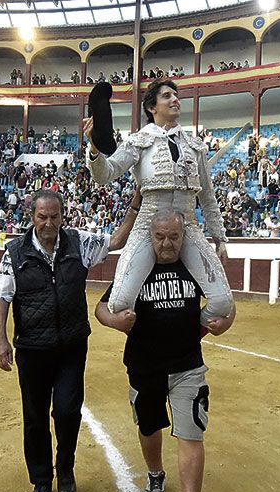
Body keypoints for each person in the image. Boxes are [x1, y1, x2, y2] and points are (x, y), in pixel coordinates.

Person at [95, 210, 234, 492]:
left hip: (188, 365)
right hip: (144, 364)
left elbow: (227, 306)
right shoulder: (136, 268)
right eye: (160, 237)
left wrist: (224, 324)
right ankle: (155, 474)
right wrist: (114, 322)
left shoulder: (194, 264)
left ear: (183, 235)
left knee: (191, 433)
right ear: (150, 236)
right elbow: (101, 308)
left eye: (174, 236)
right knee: (149, 425)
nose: (167, 243)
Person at [0, 189, 135, 492]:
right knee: (35, 418)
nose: (49, 223)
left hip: (71, 344)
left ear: (62, 216)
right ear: (32, 217)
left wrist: (136, 205)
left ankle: (65, 468)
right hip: (32, 347)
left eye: (54, 217)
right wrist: (1, 341)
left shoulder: (78, 242)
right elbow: (2, 298)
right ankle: (42, 482)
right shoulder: (14, 253)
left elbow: (115, 241)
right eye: (42, 217)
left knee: (68, 411)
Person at [84, 78, 233, 329]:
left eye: (176, 96)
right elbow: (104, 175)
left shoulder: (194, 146)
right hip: (147, 225)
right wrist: (95, 149)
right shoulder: (138, 141)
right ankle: (152, 337)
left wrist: (220, 237)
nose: (175, 99)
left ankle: (181, 337)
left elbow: (207, 196)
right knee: (120, 302)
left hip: (187, 226)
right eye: (167, 96)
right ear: (152, 108)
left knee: (222, 304)